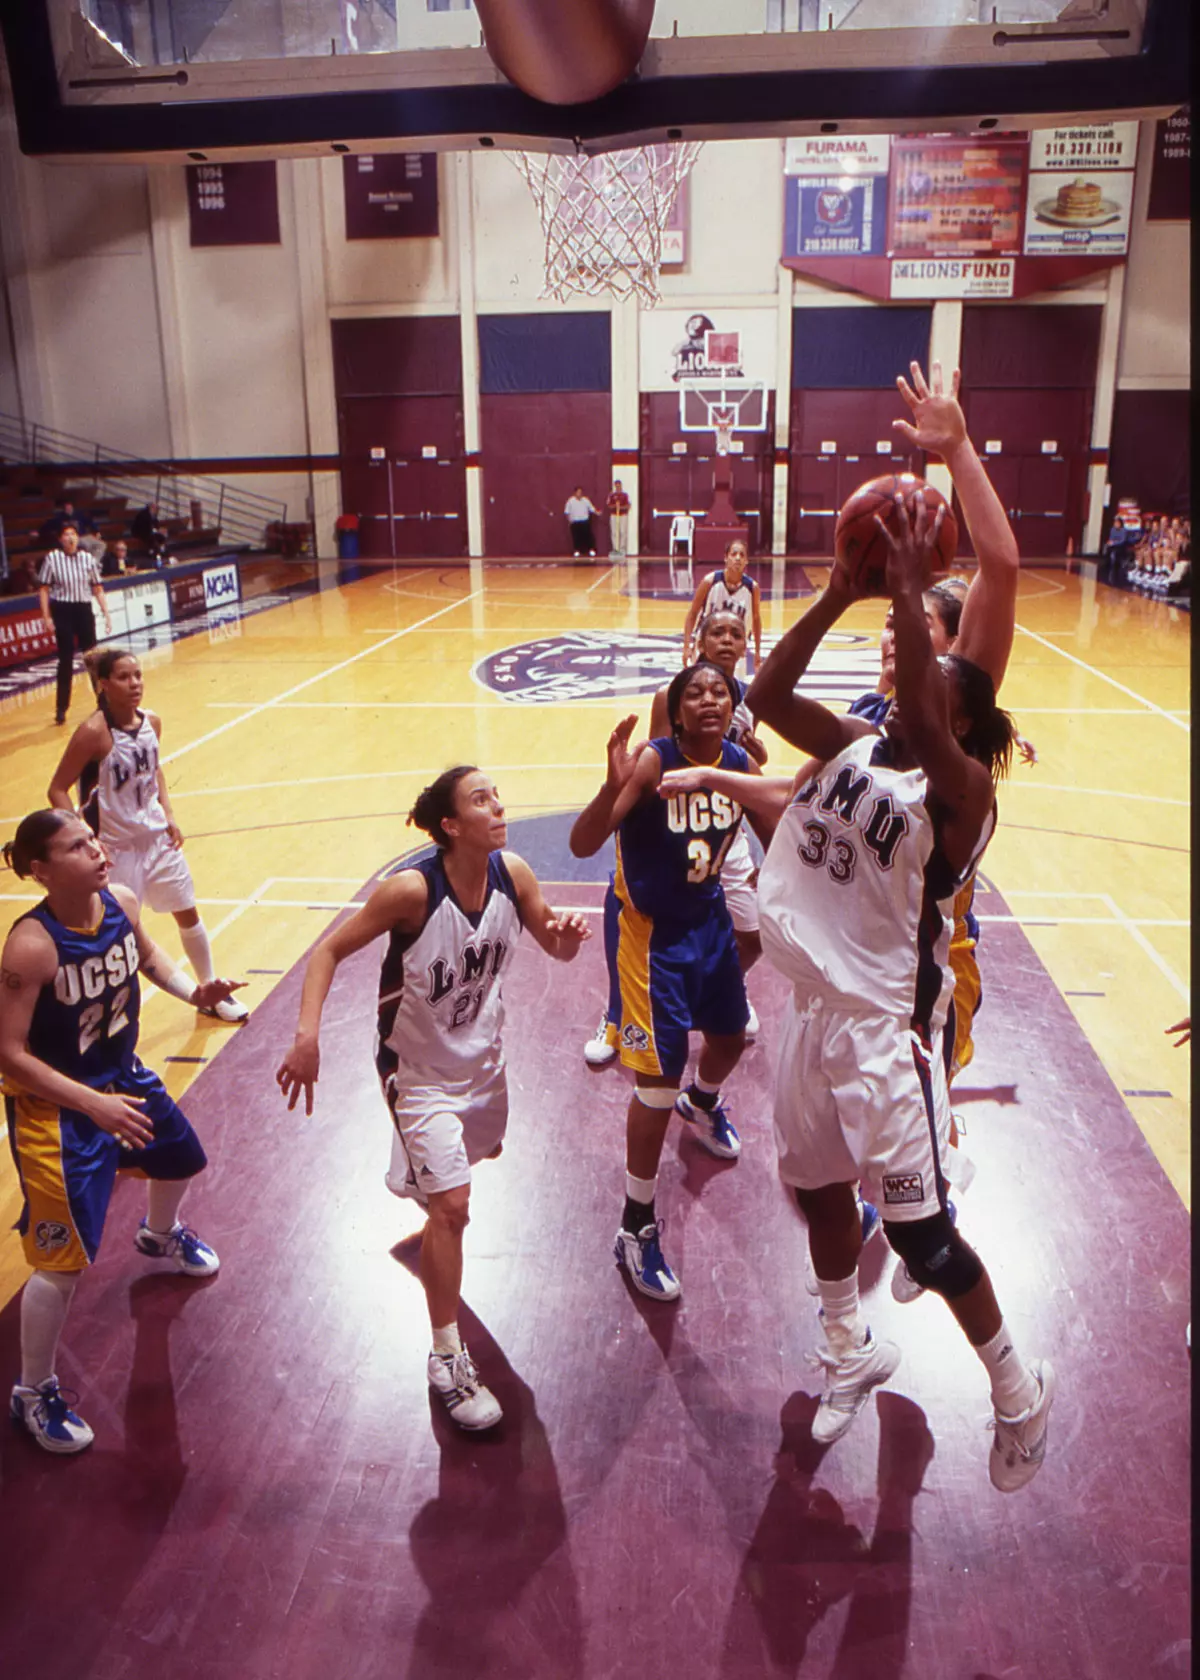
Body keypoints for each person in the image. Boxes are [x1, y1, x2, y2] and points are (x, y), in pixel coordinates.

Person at [744, 492, 1053, 1492]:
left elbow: (922, 706)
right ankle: (848, 1348)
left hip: (886, 1035)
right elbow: (764, 695)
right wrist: (838, 593)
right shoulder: (850, 746)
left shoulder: (962, 794)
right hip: (809, 1017)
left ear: (962, 722)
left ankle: (1017, 1390)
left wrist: (915, 587)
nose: (913, 694)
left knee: (923, 1236)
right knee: (820, 1194)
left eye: (937, 689)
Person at [276, 767, 590, 1432]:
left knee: (475, 1161)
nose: (499, 806)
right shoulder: (413, 890)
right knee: (452, 1207)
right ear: (451, 825)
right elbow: (328, 950)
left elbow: (557, 949)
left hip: (483, 1062)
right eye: (481, 800)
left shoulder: (514, 874)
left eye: (498, 795)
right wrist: (307, 1036)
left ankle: (421, 1180)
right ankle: (447, 1359)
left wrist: (565, 934)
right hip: (416, 1071)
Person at [0, 808, 243, 1455]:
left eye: (93, 838)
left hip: (119, 1077)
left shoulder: (121, 900)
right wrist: (94, 1107)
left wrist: (195, 992)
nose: (97, 850)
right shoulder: (32, 944)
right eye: (78, 846)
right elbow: (10, 1052)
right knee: (62, 1261)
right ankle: (31, 1393)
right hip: (54, 1112)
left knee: (182, 1157)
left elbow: (149, 955)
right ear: (41, 870)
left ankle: (158, 1234)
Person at [569, 663, 757, 1302]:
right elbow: (582, 840)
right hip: (654, 937)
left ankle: (701, 1105)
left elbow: (779, 837)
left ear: (733, 706)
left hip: (709, 922)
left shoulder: (737, 763)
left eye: (721, 692)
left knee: (730, 1039)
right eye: (695, 693)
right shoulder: (655, 760)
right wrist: (611, 787)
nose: (710, 700)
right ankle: (635, 1224)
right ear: (676, 713)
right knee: (657, 1076)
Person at [584, 610, 768, 1069]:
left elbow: (744, 764)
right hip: (670, 820)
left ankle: (714, 988)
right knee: (634, 904)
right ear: (699, 641)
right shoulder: (672, 696)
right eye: (717, 633)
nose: (727, 641)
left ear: (747, 644)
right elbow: (658, 766)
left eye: (736, 634)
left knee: (754, 932)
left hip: (723, 820)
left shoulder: (748, 699)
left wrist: (752, 757)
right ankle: (617, 1013)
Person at [46, 646, 249, 1025]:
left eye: (138, 675)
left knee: (187, 910)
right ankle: (108, 1014)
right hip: (116, 849)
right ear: (103, 685)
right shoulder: (93, 733)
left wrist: (169, 814)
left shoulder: (151, 722)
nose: (135, 683)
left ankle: (210, 992)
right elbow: (57, 789)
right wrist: (88, 837)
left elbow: (154, 770)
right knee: (117, 934)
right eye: (124, 677)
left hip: (157, 838)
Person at [37, 522, 111, 727]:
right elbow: (43, 588)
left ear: (78, 538)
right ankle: (61, 708)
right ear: (60, 539)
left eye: (73, 534)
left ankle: (103, 701)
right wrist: (46, 617)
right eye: (66, 534)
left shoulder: (87, 558)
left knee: (93, 658)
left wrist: (106, 611)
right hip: (63, 609)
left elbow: (97, 587)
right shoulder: (53, 558)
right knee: (65, 660)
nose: (70, 538)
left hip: (83, 609)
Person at [681, 538, 763, 666]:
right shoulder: (710, 581)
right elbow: (692, 613)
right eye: (734, 554)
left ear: (746, 561)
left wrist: (757, 651)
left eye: (742, 555)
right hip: (708, 646)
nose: (737, 558)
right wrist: (686, 646)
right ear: (726, 558)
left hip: (735, 649)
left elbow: (756, 619)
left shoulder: (752, 588)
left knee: (731, 685)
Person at [564, 487, 599, 559]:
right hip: (575, 522)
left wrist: (597, 512)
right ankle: (577, 550)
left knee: (588, 536)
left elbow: (592, 509)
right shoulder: (570, 501)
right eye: (578, 492)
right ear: (575, 493)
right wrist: (569, 520)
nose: (579, 494)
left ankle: (591, 550)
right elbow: (567, 512)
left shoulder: (586, 500)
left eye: (580, 492)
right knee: (576, 537)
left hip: (584, 521)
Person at [131, 501, 169, 567]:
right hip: (141, 532)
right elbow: (144, 527)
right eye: (156, 508)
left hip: (150, 532)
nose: (157, 510)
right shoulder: (144, 514)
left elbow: (156, 525)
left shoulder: (153, 515)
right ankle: (153, 553)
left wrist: (159, 530)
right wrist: (156, 531)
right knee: (153, 538)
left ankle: (162, 552)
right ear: (151, 507)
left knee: (162, 536)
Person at [606, 480, 631, 558]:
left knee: (623, 532)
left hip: (623, 515)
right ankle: (615, 548)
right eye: (616, 486)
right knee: (614, 532)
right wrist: (615, 506)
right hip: (614, 515)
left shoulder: (625, 495)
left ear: (621, 486)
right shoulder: (611, 495)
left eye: (619, 486)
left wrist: (620, 507)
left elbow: (628, 506)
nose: (618, 487)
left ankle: (622, 549)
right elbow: (609, 505)